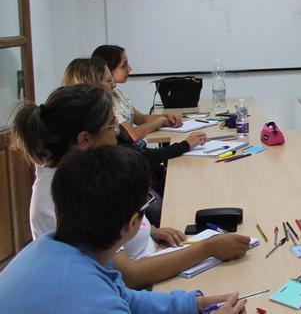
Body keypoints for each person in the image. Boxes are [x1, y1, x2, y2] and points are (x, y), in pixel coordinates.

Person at [10, 85, 251, 289]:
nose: (116, 137)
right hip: (140, 283)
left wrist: (150, 231)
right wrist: (207, 248)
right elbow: (129, 276)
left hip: (152, 258)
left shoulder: (82, 172)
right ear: (84, 139)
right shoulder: (64, 196)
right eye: (111, 128)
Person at [0, 145, 246, 313]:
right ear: (133, 223)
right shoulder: (88, 295)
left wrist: (193, 304)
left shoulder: (61, 247)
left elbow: (126, 298)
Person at [61, 57, 207, 225]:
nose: (114, 85)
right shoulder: (92, 180)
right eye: (109, 81)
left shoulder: (106, 114)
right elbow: (136, 150)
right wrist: (184, 145)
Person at [92, 44, 183, 140]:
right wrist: (159, 122)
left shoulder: (117, 92)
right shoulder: (103, 102)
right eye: (124, 65)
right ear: (108, 69)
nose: (130, 69)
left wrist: (166, 117)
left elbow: (142, 119)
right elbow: (133, 135)